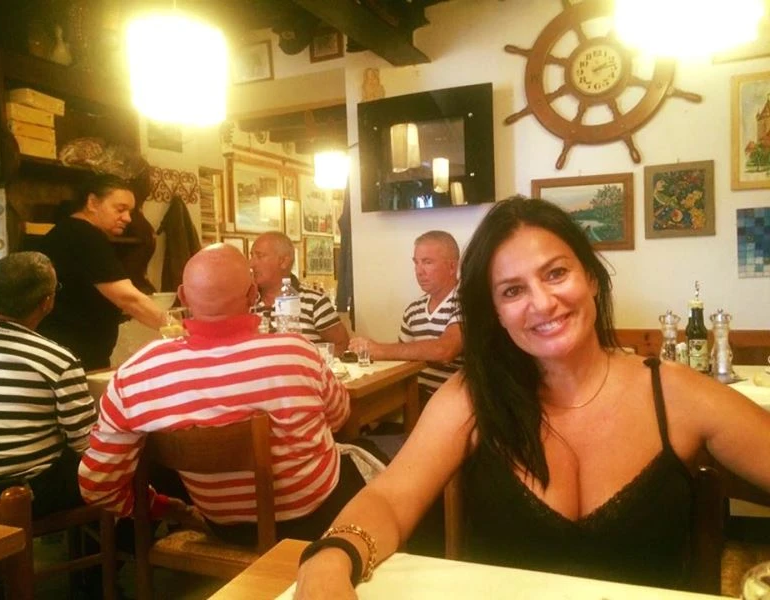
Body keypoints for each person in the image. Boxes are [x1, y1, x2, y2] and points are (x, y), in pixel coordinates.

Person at [293, 197, 770, 597]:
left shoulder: (674, 392)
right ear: (496, 312)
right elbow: (390, 498)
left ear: (591, 278)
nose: (541, 303)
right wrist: (332, 556)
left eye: (556, 273)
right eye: (512, 291)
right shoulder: (471, 398)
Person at [78, 244, 368, 543]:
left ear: (183, 297)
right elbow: (339, 417)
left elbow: (97, 485)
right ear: (253, 295)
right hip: (319, 519)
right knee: (370, 454)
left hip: (227, 530)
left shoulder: (136, 374)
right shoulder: (296, 352)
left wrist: (164, 508)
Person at [0, 252, 96, 518]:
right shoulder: (57, 360)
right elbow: (86, 445)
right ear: (47, 302)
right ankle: (116, 544)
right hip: (27, 494)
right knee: (127, 465)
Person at [37, 173, 164, 370]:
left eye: (130, 211)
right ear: (92, 202)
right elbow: (128, 298)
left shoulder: (67, 231)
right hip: (73, 359)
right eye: (120, 209)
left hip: (62, 356)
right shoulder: (84, 236)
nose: (128, 218)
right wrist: (179, 330)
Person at [349, 230, 463, 401]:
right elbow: (402, 359)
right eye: (416, 263)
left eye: (427, 262)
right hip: (415, 398)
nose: (419, 271)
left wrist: (378, 349)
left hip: (456, 402)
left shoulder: (469, 301)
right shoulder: (413, 310)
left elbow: (445, 350)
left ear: (452, 267)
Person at [250, 231, 349, 354]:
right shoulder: (246, 303)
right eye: (252, 256)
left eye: (259, 256)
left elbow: (341, 345)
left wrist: (308, 358)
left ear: (283, 261)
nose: (251, 264)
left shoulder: (314, 302)